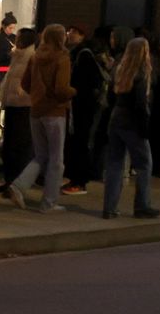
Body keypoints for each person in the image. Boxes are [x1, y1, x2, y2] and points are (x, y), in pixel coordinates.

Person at [9, 23, 75, 212]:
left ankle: (19, 186)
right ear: (61, 38)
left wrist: (38, 95)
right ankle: (49, 201)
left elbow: (25, 83)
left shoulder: (36, 56)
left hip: (36, 110)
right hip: (55, 112)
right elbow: (61, 89)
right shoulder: (62, 58)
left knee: (40, 155)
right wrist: (73, 91)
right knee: (56, 159)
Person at [100, 37, 159, 219]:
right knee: (144, 164)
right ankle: (142, 205)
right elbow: (140, 104)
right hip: (133, 121)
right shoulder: (142, 73)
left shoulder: (120, 69)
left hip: (116, 118)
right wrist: (144, 127)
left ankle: (109, 207)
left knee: (115, 164)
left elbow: (110, 97)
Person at [66, 23, 109, 196]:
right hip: (81, 104)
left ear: (83, 36)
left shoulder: (83, 55)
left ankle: (79, 181)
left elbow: (87, 82)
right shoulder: (78, 53)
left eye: (75, 32)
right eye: (70, 31)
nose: (70, 34)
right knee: (78, 141)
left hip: (83, 105)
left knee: (81, 141)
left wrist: (73, 91)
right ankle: (76, 179)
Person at [0, 27, 37, 196]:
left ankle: (17, 184)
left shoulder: (31, 57)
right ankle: (9, 180)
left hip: (24, 105)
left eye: (19, 37)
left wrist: (22, 92)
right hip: (12, 104)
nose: (15, 39)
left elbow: (30, 81)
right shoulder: (17, 56)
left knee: (20, 145)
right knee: (9, 144)